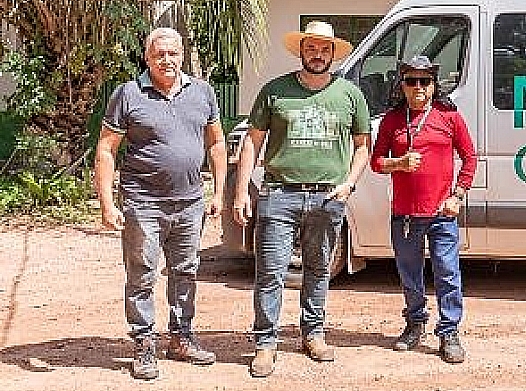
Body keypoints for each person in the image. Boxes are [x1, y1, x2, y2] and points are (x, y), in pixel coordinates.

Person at [232, 20, 370, 378]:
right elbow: (252, 141)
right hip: (279, 195)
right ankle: (265, 344)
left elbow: (362, 147)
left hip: (327, 198)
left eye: (324, 49)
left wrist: (349, 184)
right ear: (301, 51)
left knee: (319, 269)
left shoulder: (350, 94)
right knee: (270, 272)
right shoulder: (275, 91)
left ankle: (313, 334)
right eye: (311, 48)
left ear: (333, 54)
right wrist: (241, 191)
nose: (318, 55)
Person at [94, 27, 226, 380]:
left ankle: (181, 338)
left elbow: (216, 143)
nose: (167, 60)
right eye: (159, 54)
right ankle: (144, 344)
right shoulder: (128, 94)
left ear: (182, 54)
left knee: (186, 270)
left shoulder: (203, 92)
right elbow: (106, 149)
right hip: (144, 202)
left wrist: (219, 192)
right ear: (147, 58)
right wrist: (107, 203)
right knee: (142, 273)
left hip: (191, 202)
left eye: (173, 53)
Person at [369, 55, 477, 364]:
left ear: (433, 85)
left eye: (425, 81)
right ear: (402, 85)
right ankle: (415, 324)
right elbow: (377, 162)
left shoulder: (449, 116)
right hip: (405, 215)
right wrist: (399, 163)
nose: (418, 86)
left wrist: (458, 195)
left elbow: (470, 157)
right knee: (410, 276)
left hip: (442, 214)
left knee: (447, 273)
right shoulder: (392, 120)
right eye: (411, 81)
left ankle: (449, 332)